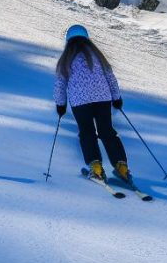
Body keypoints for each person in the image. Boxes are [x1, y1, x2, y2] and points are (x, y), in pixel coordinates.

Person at [53, 25, 132, 184]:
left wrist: (61, 105)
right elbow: (110, 77)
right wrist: (116, 98)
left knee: (86, 132)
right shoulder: (97, 56)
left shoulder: (66, 59)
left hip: (80, 103)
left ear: (68, 41)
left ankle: (96, 167)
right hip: (103, 99)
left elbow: (60, 84)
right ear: (87, 39)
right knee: (107, 131)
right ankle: (121, 167)